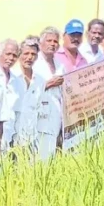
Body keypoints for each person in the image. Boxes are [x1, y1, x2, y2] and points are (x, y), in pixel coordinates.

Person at [33, 27, 66, 160]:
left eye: (55, 41)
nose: (52, 44)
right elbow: (29, 90)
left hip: (55, 118)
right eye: (49, 40)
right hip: (38, 118)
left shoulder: (60, 65)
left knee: (51, 158)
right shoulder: (34, 63)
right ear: (41, 43)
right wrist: (48, 84)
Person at [0, 39, 24, 155]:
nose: (11, 58)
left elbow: (18, 112)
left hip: (8, 135)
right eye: (8, 54)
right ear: (0, 53)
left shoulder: (17, 80)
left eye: (15, 55)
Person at [14, 37, 47, 154]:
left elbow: (39, 109)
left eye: (33, 54)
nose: (29, 57)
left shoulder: (40, 81)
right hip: (11, 136)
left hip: (31, 137)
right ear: (19, 55)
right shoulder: (12, 77)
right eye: (26, 53)